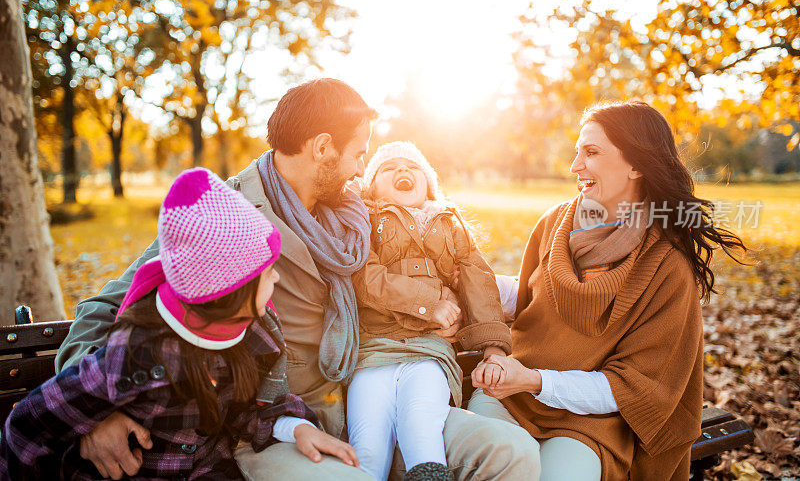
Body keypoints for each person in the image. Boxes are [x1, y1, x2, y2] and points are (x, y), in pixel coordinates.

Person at [55, 79, 540, 480]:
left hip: (372, 395)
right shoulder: (227, 212)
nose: (359, 171)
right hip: (276, 424)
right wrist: (91, 416)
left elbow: (441, 266)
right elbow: (110, 304)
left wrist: (528, 296)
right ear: (322, 148)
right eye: (358, 155)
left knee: (510, 452)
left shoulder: (353, 217)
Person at [0, 167, 357, 479]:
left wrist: (294, 426)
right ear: (228, 292)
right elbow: (30, 425)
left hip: (206, 469)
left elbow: (248, 409)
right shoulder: (138, 353)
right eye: (266, 273)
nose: (276, 280)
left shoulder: (256, 333)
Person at [468, 100, 747, 480]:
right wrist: (458, 286)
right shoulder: (554, 223)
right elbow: (532, 298)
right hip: (509, 396)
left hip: (592, 422)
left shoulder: (667, 264)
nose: (575, 166)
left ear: (636, 165)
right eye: (577, 152)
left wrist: (535, 380)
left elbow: (631, 388)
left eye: (592, 152)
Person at [349, 142, 512, 481]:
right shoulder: (366, 218)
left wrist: (493, 348)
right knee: (367, 440)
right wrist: (431, 303)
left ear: (429, 181)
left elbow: (478, 284)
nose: (402, 171)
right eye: (389, 168)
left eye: (412, 167)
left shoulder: (451, 225)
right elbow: (365, 277)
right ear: (371, 184)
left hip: (429, 351)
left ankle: (428, 472)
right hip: (375, 347)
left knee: (421, 423)